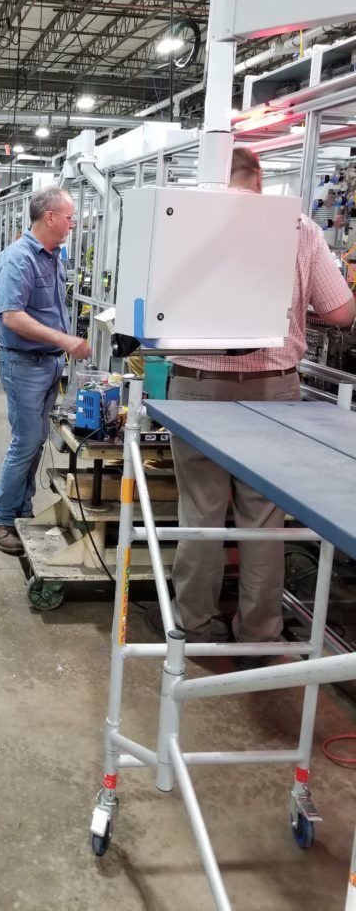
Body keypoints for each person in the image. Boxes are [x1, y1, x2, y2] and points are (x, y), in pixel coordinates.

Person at [168, 146, 355, 653]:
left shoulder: (183, 223)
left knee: (200, 515)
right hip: (275, 390)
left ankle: (194, 631)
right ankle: (260, 636)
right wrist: (298, 312)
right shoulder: (299, 228)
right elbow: (340, 313)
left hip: (196, 388)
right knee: (264, 521)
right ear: (260, 178)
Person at [0, 186, 92, 555]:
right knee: (25, 441)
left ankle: (22, 509)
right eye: (69, 217)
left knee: (35, 442)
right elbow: (12, 316)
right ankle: (2, 518)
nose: (72, 223)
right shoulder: (18, 259)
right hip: (25, 364)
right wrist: (65, 340)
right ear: (49, 217)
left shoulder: (53, 257)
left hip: (48, 363)